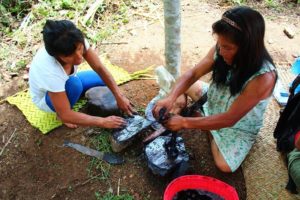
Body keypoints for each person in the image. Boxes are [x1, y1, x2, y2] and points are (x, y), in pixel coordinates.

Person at [153, 6, 277, 173]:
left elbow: (230, 119)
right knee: (186, 82)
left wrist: (184, 122)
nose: (220, 50)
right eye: (219, 44)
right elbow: (193, 73)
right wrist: (171, 97)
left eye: (227, 47)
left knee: (224, 165)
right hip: (215, 99)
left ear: (247, 48)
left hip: (238, 122)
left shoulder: (263, 77)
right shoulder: (222, 47)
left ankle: (207, 124)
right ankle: (206, 120)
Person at [29, 20, 134, 129]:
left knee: (102, 78)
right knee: (74, 85)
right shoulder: (50, 71)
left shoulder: (75, 41)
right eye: (69, 55)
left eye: (80, 49)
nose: (79, 57)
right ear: (56, 55)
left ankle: (70, 96)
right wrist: (103, 122)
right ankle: (58, 114)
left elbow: (99, 68)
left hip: (68, 80)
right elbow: (66, 115)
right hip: (46, 98)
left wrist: (119, 96)